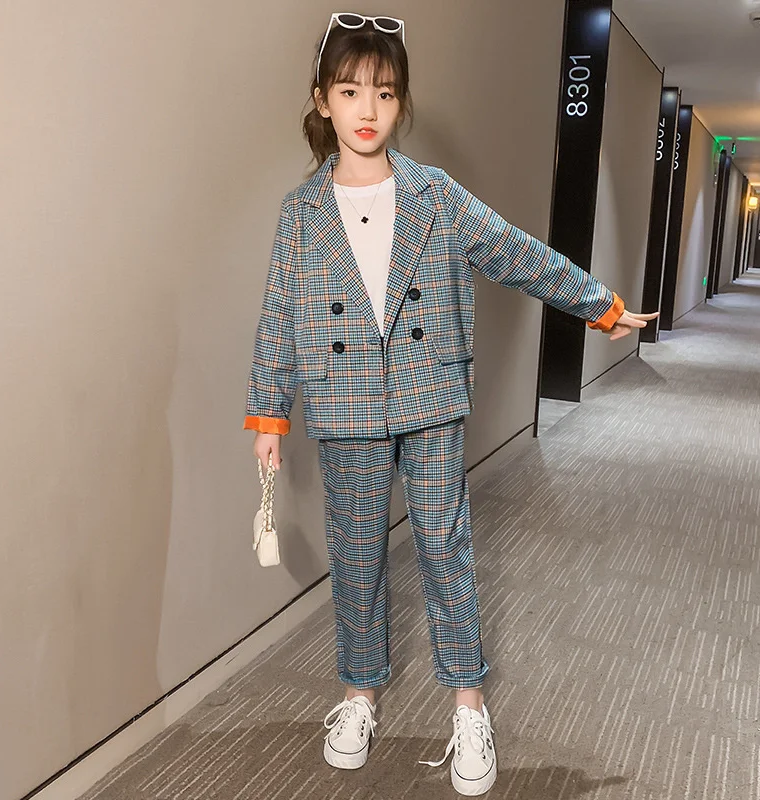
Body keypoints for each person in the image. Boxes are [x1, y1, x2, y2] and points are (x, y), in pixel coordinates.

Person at [244, 12, 656, 797]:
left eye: (385, 92)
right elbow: (278, 316)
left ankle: (468, 704)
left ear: (402, 102)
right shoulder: (301, 213)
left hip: (430, 395)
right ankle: (359, 692)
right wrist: (268, 414)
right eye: (350, 90)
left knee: (444, 546)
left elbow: (516, 252)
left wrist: (598, 304)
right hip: (344, 407)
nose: (368, 108)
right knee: (357, 557)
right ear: (323, 99)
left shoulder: (436, 196)